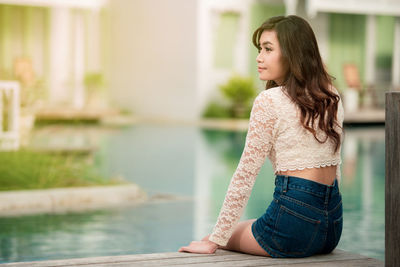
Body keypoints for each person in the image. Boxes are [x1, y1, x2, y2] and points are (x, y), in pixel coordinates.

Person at [179, 15, 344, 258]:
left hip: (292, 226)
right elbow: (334, 163)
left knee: (215, 237)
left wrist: (215, 240)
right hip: (332, 226)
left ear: (292, 54)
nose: (259, 57)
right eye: (259, 49)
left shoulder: (269, 101)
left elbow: (245, 174)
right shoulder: (330, 95)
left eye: (268, 49)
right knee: (237, 229)